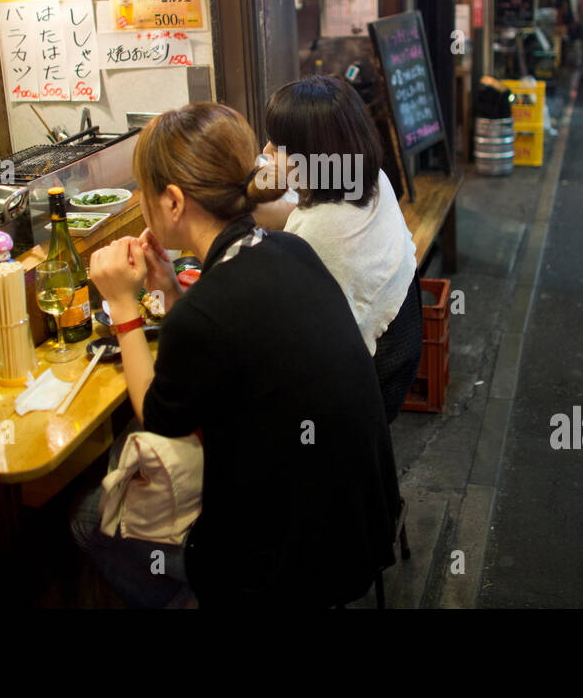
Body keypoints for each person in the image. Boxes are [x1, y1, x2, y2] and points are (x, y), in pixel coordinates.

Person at [73, 102, 401, 608]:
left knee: (90, 520)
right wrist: (167, 292)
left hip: (289, 565)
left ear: (174, 202)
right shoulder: (289, 249)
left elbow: (157, 415)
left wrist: (122, 305)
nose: (142, 202)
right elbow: (222, 338)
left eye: (145, 191)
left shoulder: (207, 311)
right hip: (364, 524)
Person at [253, 75, 420, 422]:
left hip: (366, 386)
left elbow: (283, 329)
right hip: (400, 340)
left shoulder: (314, 233)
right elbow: (297, 214)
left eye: (279, 146)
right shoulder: (369, 178)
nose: (266, 151)